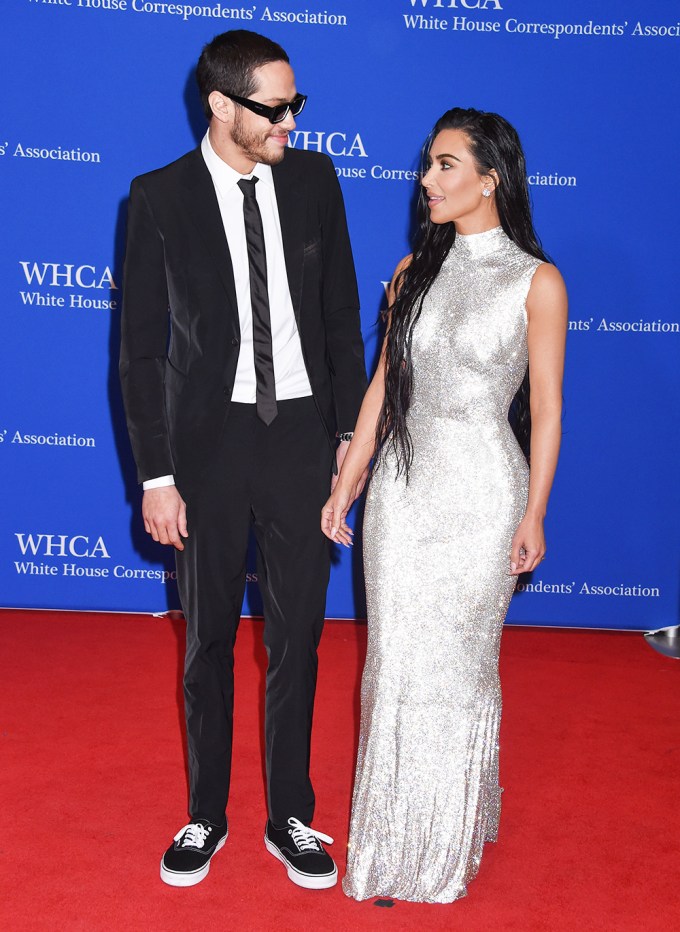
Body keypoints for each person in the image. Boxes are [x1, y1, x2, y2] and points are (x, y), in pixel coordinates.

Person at [120, 30, 366, 890]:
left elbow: (341, 310)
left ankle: (290, 814)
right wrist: (156, 476)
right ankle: (205, 815)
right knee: (208, 644)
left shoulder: (314, 179)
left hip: (301, 437)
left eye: (297, 103)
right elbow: (140, 354)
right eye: (274, 108)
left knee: (300, 637)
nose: (291, 121)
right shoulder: (157, 199)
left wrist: (350, 435)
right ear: (222, 106)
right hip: (207, 449)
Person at [322, 108, 567, 903]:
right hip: (402, 487)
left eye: (447, 165)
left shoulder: (538, 281)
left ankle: (444, 844)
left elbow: (550, 410)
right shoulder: (410, 273)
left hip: (483, 492)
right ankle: (390, 843)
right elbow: (382, 389)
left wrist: (534, 514)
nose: (427, 179)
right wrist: (349, 476)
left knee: (459, 668)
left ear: (490, 178)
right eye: (429, 164)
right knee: (394, 664)